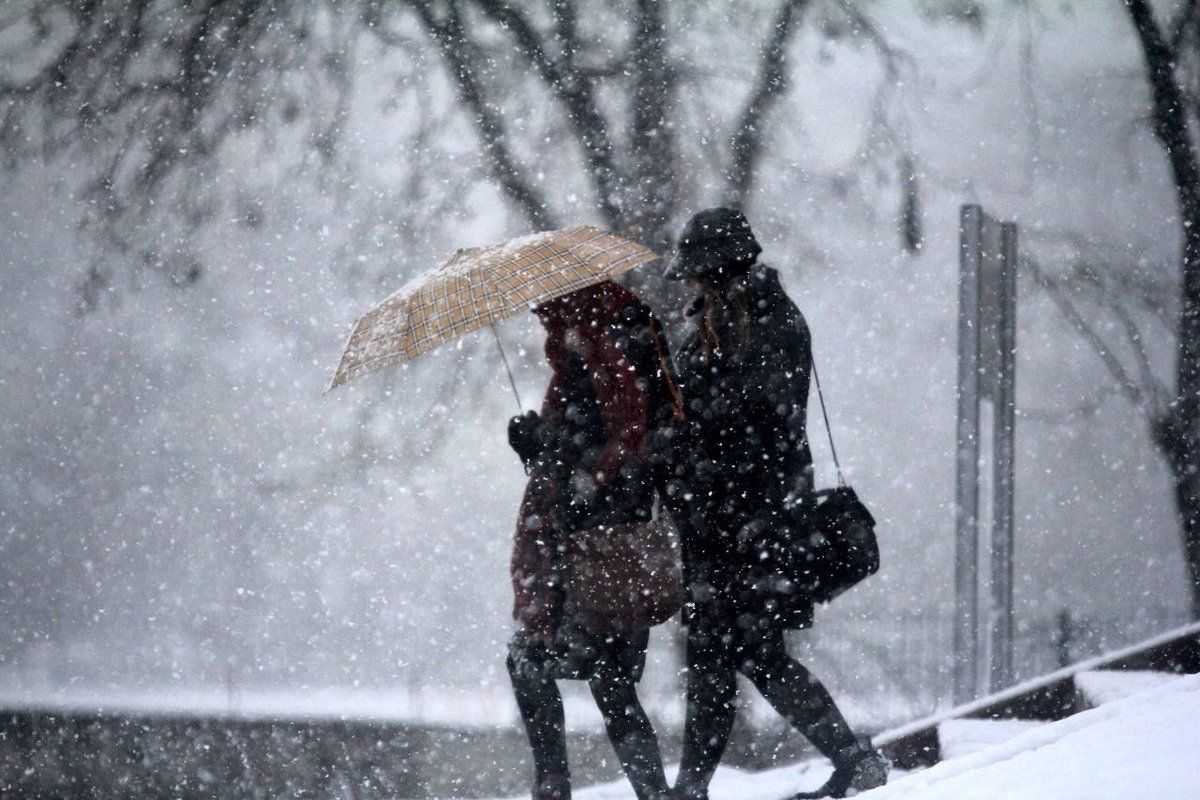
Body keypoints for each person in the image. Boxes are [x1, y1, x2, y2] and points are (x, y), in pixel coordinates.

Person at [661, 208, 889, 800]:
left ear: (717, 270)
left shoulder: (772, 325)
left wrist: (694, 435)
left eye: (695, 274)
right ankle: (694, 786)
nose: (687, 285)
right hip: (716, 521)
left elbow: (767, 428)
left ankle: (849, 758)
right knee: (723, 654)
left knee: (745, 650)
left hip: (751, 521)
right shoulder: (716, 326)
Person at [505, 280, 678, 800]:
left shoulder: (604, 358)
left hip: (597, 551)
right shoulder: (599, 357)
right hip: (603, 548)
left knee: (544, 663)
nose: (543, 324)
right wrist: (536, 444)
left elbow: (613, 453)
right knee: (605, 679)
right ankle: (638, 790)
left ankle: (554, 784)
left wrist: (552, 451)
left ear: (571, 306)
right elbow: (592, 449)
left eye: (548, 311)